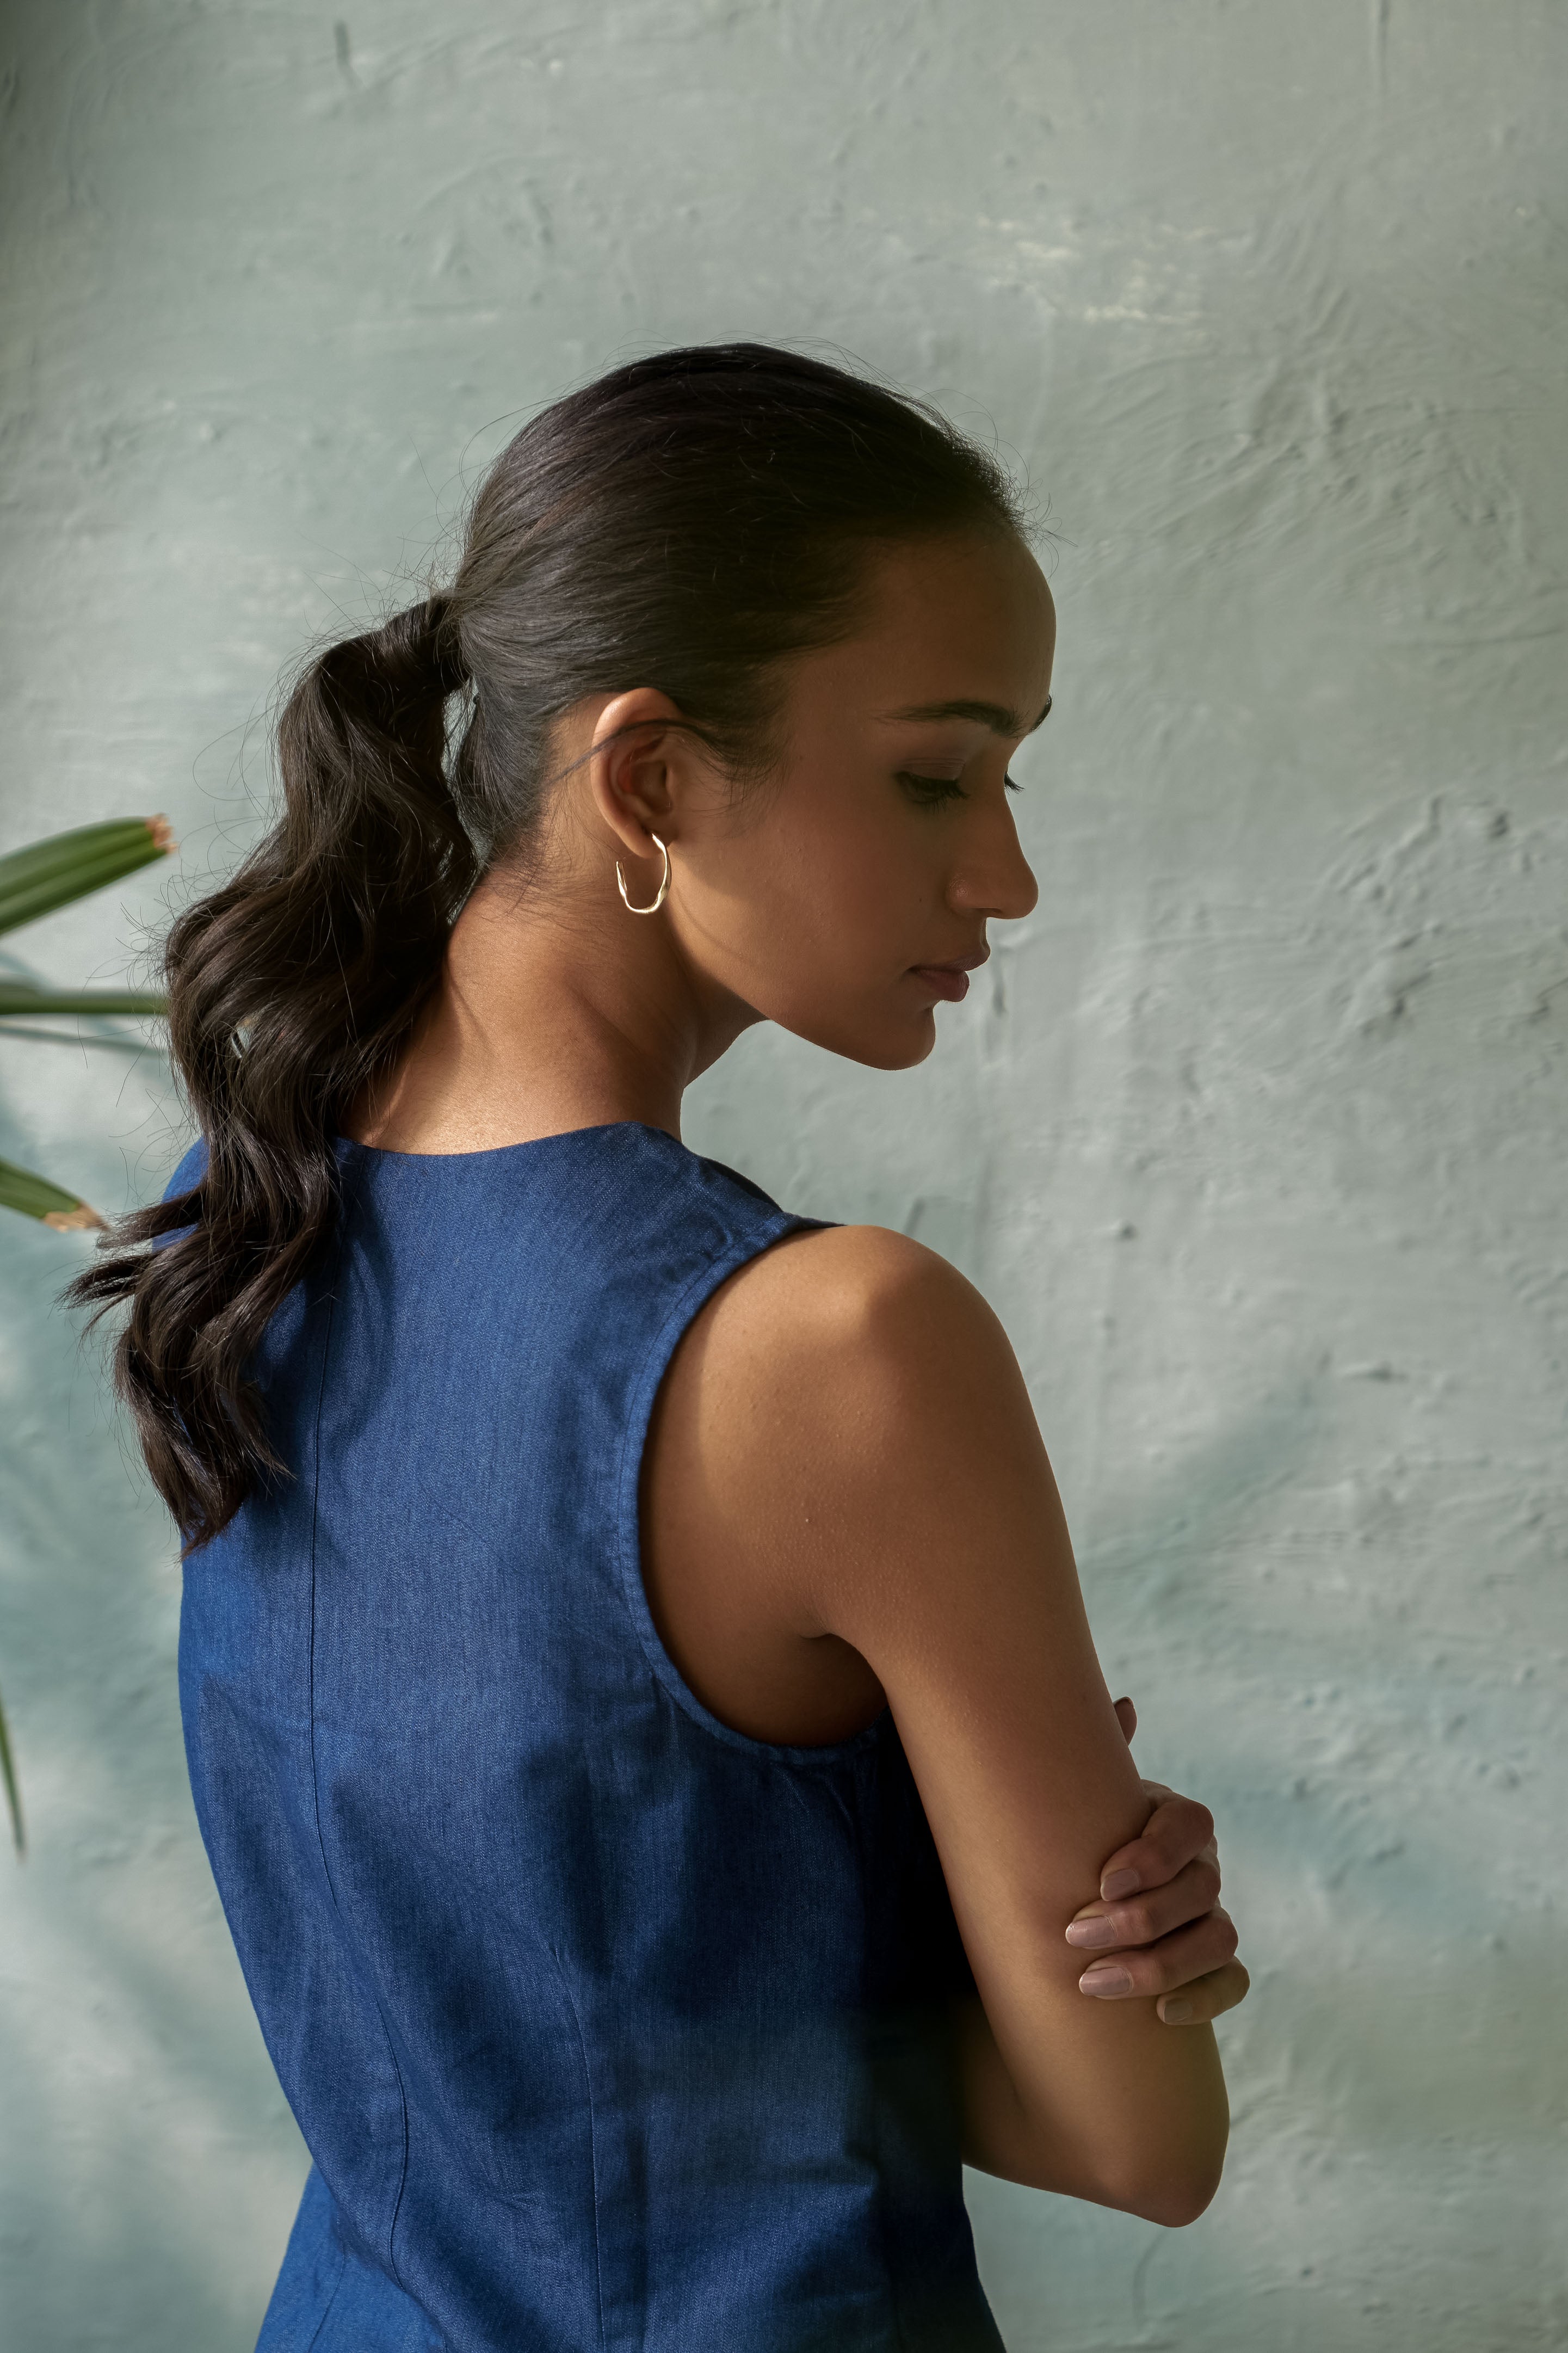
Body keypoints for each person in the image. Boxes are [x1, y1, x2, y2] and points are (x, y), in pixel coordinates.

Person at [73, 344, 1246, 2353]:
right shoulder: (839, 1347)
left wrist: (832, 1895)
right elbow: (1136, 2136)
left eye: (1009, 776)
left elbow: (495, 2024)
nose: (1007, 874)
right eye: (934, 773)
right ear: (646, 779)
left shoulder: (243, 1222)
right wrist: (1001, 1929)